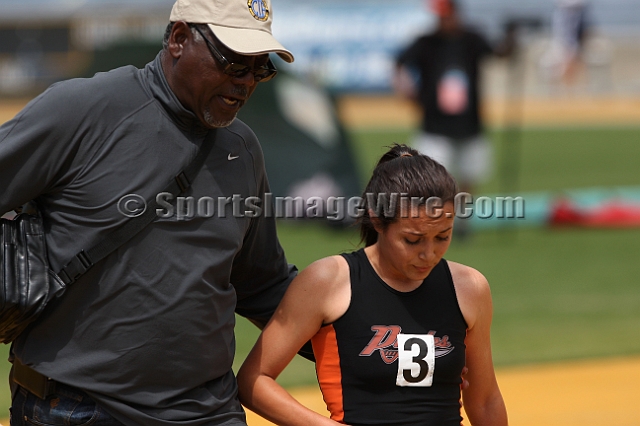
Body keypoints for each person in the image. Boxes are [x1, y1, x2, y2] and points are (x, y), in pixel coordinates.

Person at [0, 0, 300, 425]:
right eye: (234, 63)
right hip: (76, 409)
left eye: (260, 68)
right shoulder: (83, 109)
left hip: (207, 412)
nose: (247, 82)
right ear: (179, 39)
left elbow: (263, 284)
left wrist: (365, 319)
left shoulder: (243, 149)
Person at [237, 144, 508, 425]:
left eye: (443, 236)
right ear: (377, 219)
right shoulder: (328, 281)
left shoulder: (469, 288)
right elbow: (254, 380)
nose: (429, 254)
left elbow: (485, 400)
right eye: (412, 240)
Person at [393, 0, 514, 237]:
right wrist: (407, 91)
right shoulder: (426, 42)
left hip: (469, 123)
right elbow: (400, 64)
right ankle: (433, 221)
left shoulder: (472, 39)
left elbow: (499, 54)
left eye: (444, 15)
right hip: (434, 124)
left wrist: (511, 38)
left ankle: (461, 221)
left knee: (469, 175)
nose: (441, 21)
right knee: (430, 179)